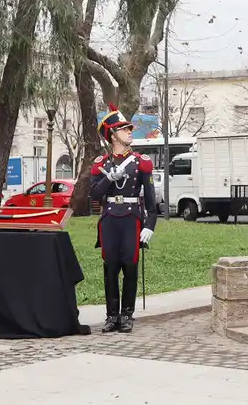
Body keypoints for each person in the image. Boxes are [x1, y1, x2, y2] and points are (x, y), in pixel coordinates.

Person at [89, 106, 158, 333]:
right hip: (109, 219)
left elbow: (150, 202)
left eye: (129, 128)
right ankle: (111, 316)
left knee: (130, 267)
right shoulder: (102, 164)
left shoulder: (141, 162)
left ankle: (127, 314)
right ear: (112, 135)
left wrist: (149, 226)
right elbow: (95, 196)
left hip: (131, 219)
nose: (130, 132)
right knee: (110, 269)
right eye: (124, 129)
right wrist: (108, 178)